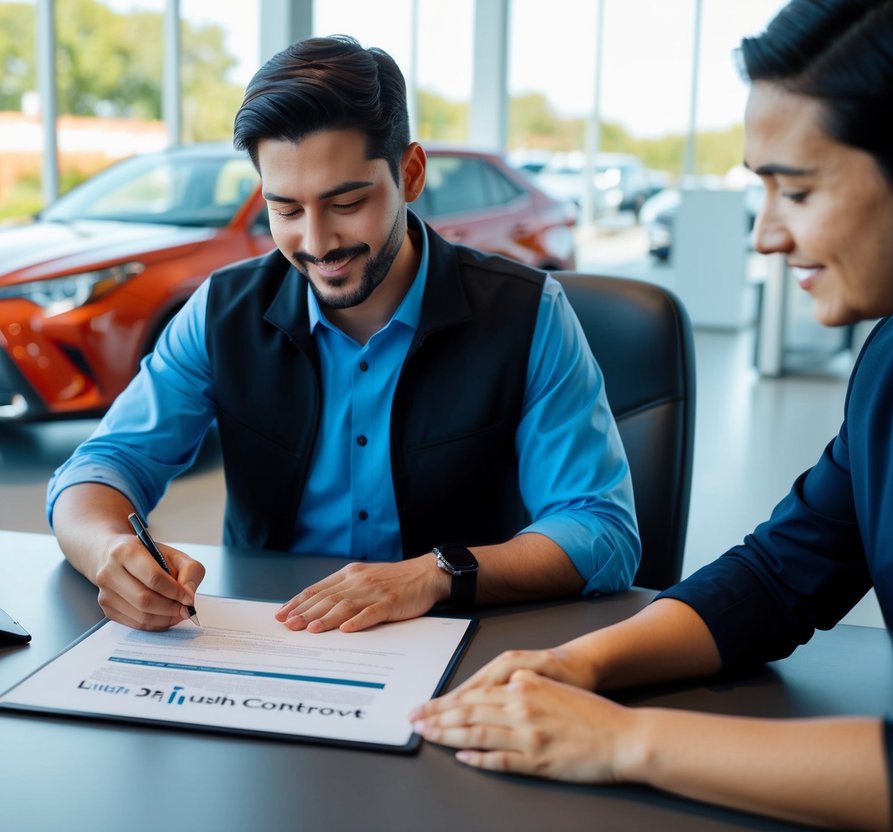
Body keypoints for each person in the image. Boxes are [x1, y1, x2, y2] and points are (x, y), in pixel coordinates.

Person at [409, 2, 893, 828]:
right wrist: (576, 666)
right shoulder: (885, 361)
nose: (766, 237)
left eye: (798, 191)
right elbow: (781, 575)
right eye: (760, 190)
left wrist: (621, 743)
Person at [47, 36, 639, 634]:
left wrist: (432, 574)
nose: (319, 241)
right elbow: (102, 466)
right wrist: (107, 553)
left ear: (410, 174)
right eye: (287, 210)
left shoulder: (529, 314)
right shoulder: (222, 311)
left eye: (348, 201)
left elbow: (601, 531)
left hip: (464, 642)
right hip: (267, 640)